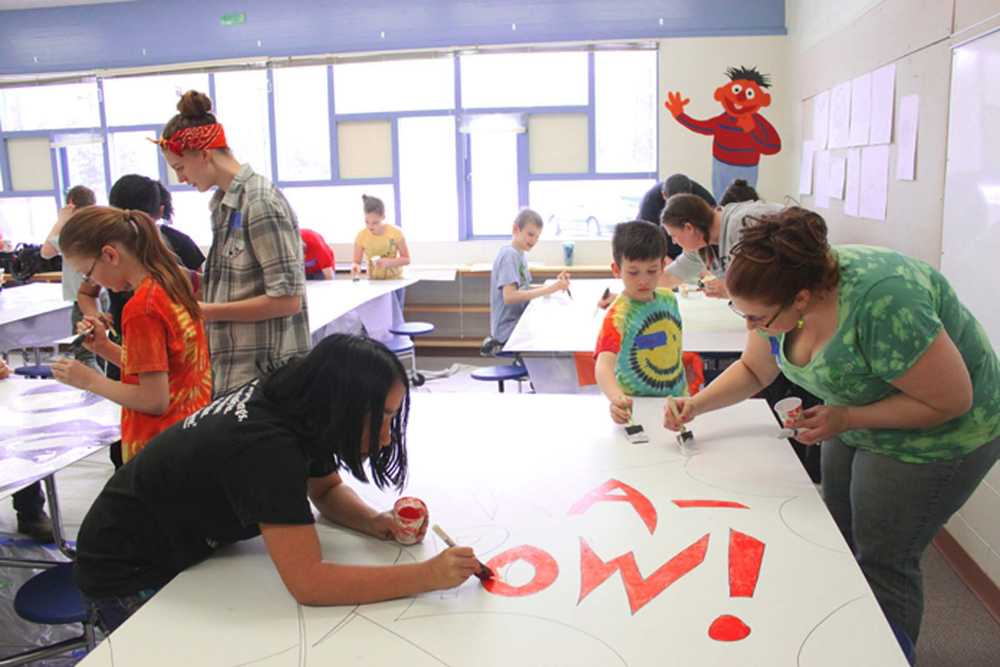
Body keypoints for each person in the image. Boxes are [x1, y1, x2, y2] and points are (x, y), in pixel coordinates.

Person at [662, 207, 1000, 653]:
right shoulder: (777, 292)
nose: (750, 326)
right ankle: (836, 645)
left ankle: (885, 654)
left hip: (941, 431)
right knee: (834, 530)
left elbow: (951, 399)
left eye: (757, 318)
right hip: (856, 411)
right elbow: (752, 367)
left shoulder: (884, 301)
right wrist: (697, 404)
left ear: (801, 299)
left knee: (883, 556)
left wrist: (846, 418)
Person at [73, 334, 482, 632]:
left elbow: (324, 490)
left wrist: (374, 521)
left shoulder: (302, 401)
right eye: (384, 419)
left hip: (175, 548)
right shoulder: (266, 448)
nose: (388, 436)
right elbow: (309, 582)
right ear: (343, 408)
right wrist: (427, 577)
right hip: (126, 571)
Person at [157, 90, 310, 397]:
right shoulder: (225, 205)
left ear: (203, 154)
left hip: (266, 379)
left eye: (180, 168)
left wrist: (206, 311)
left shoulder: (260, 202)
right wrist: (184, 279)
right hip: (235, 373)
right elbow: (241, 283)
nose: (181, 179)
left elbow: (287, 300)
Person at [50, 206, 211, 465]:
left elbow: (153, 400)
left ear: (110, 255)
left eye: (88, 273)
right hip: (190, 434)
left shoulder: (141, 309)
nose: (94, 282)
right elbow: (162, 370)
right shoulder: (170, 283)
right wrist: (104, 347)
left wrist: (89, 380)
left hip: (161, 450)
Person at [13, 185, 98, 543]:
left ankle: (29, 509)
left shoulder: (88, 228)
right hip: (78, 302)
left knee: (19, 431)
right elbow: (48, 250)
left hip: (82, 305)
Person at [596, 221, 686, 424]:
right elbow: (603, 364)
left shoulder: (669, 298)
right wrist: (616, 399)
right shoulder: (618, 316)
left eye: (652, 271)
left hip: (675, 403)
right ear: (616, 269)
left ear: (663, 266)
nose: (643, 280)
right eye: (634, 272)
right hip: (635, 409)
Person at [659, 193, 784, 299]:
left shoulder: (743, 224)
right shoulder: (700, 244)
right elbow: (670, 276)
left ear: (688, 228)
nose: (674, 242)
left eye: (673, 235)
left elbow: (769, 280)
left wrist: (731, 289)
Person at [489, 209, 570, 348]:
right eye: (530, 234)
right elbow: (510, 297)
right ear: (516, 229)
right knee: (554, 332)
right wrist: (549, 289)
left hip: (517, 322)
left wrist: (555, 285)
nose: (534, 241)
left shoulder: (520, 254)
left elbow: (524, 289)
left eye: (537, 237)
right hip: (507, 329)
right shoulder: (509, 255)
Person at [637, 173, 716, 262]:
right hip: (662, 249)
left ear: (690, 195)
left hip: (694, 248)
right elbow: (645, 238)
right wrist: (665, 260)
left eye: (682, 203)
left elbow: (711, 235)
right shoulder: (650, 202)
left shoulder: (704, 199)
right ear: (663, 195)